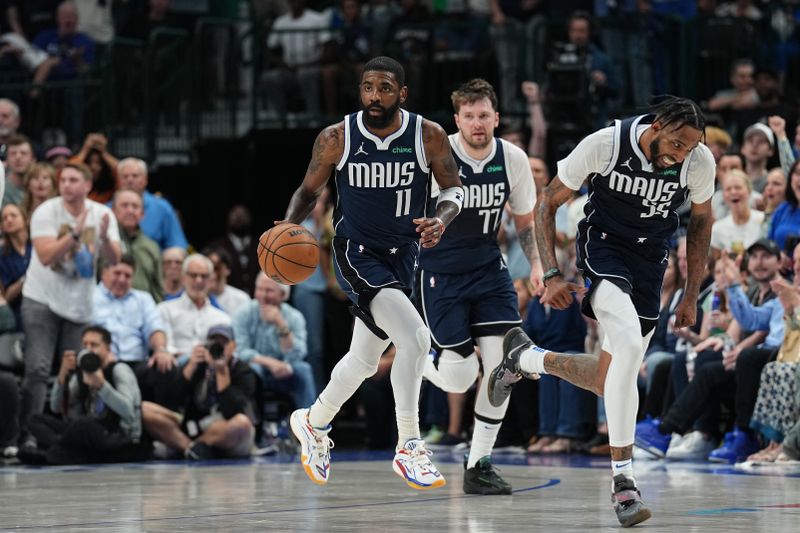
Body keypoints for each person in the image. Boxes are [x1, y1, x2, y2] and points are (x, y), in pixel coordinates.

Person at [487, 96, 715, 526]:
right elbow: (547, 202)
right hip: (604, 250)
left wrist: (690, 293)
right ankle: (624, 482)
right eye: (678, 143)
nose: (683, 153)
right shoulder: (606, 144)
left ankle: (526, 358)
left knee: (610, 379)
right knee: (628, 343)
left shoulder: (699, 162)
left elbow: (701, 222)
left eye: (691, 147)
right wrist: (552, 272)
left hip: (652, 262)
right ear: (657, 124)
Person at [284, 56, 463, 489]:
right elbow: (309, 191)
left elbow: (453, 188)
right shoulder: (337, 137)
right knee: (416, 338)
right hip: (356, 254)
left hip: (404, 257)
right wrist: (289, 227)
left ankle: (313, 421)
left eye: (384, 88)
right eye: (368, 87)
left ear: (402, 93)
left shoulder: (428, 135)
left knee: (364, 360)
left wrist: (441, 218)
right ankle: (410, 445)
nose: (374, 96)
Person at [414, 79, 539, 494]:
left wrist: (538, 264)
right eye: (469, 116)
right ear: (457, 121)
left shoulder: (513, 158)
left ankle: (479, 463)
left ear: (496, 118)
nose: (477, 123)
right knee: (460, 375)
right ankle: (423, 361)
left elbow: (524, 221)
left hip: (488, 268)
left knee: (503, 369)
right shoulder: (438, 153)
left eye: (484, 115)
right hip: (440, 270)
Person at [141, 324, 257, 460]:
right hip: (195, 426)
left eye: (223, 343)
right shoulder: (198, 365)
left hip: (227, 433)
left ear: (233, 346)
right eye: (213, 343)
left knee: (241, 423)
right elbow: (171, 402)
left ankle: (193, 448)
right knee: (144, 408)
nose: (218, 348)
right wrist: (190, 368)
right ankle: (192, 449)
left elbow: (234, 412)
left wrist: (222, 372)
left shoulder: (243, 371)